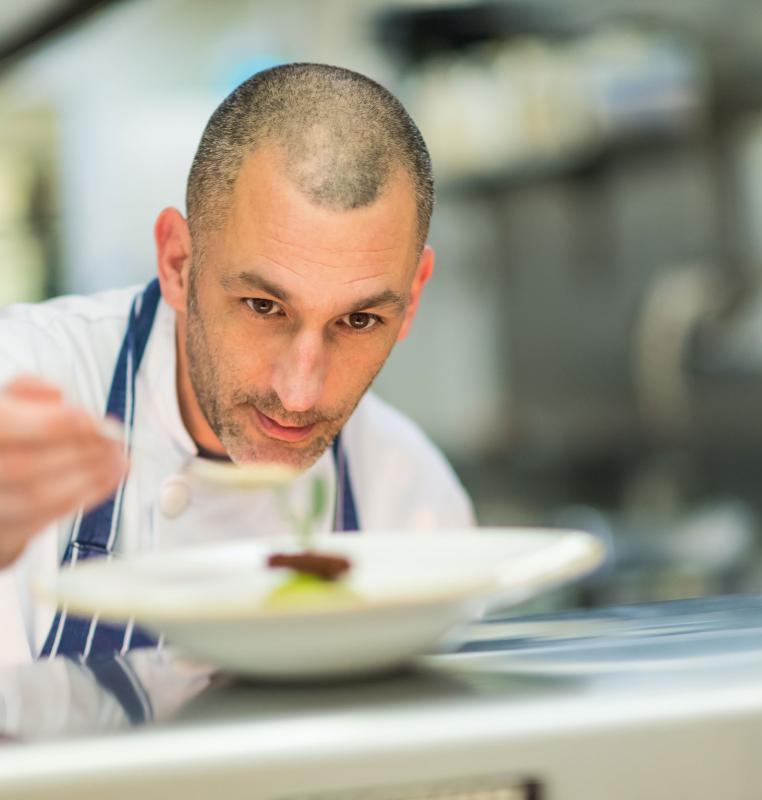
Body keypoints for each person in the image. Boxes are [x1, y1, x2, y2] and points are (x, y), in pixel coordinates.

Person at [0, 63, 474, 665]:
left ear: (412, 298)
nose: (301, 393)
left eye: (357, 321)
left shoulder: (411, 498)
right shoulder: (20, 387)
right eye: (263, 306)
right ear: (176, 262)